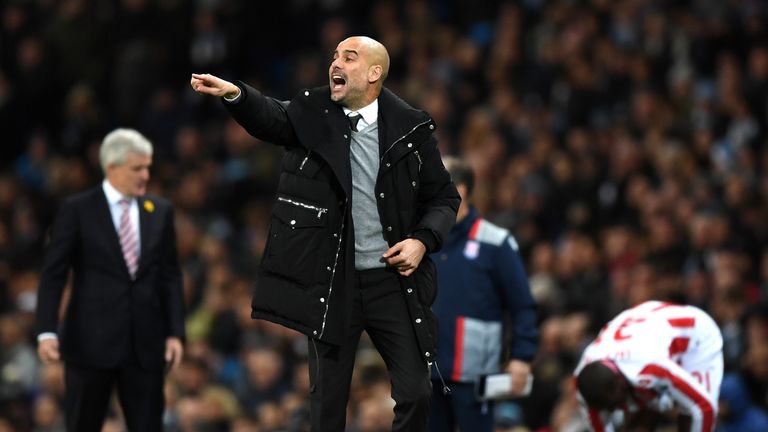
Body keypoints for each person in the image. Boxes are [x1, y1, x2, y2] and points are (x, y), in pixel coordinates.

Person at [190, 35, 460, 431]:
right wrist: (236, 95)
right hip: (335, 283)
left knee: (417, 392)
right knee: (328, 403)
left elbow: (444, 198)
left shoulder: (411, 129)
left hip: (393, 282)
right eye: (334, 56)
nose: (335, 63)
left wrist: (422, 241)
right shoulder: (312, 111)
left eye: (349, 58)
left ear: (374, 73)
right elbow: (273, 117)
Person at [35, 128, 186, 432]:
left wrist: (175, 333)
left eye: (147, 167)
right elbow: (54, 274)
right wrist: (46, 331)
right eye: (137, 168)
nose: (145, 175)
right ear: (111, 167)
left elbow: (169, 276)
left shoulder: (160, 211)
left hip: (145, 345)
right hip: (89, 344)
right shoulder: (77, 209)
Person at [428, 157, 539, 432]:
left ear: (460, 191)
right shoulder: (423, 239)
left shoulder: (495, 242)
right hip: (426, 372)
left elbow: (523, 306)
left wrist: (521, 357)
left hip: (474, 375)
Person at [574, 300, 723, 432]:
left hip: (694, 339)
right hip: (646, 330)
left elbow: (703, 407)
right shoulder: (584, 386)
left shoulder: (648, 366)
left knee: (689, 413)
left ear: (620, 383)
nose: (613, 410)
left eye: (614, 404)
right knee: (637, 408)